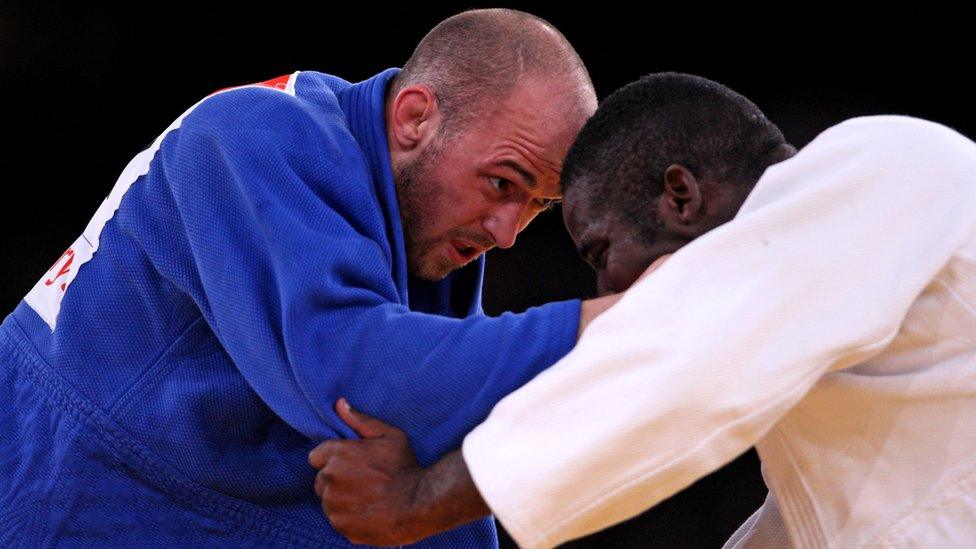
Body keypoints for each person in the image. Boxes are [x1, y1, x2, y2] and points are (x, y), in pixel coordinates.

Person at [0, 9, 619, 547]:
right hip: (59, 493)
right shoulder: (254, 133)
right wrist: (610, 328)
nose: (508, 232)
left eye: (538, 206)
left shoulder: (420, 231)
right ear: (414, 118)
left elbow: (439, 449)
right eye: (504, 183)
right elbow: (358, 375)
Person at [309, 73, 976, 547]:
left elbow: (684, 359)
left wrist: (420, 498)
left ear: (680, 196)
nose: (608, 283)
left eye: (600, 248)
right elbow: (833, 520)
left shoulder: (886, 161)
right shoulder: (817, 309)